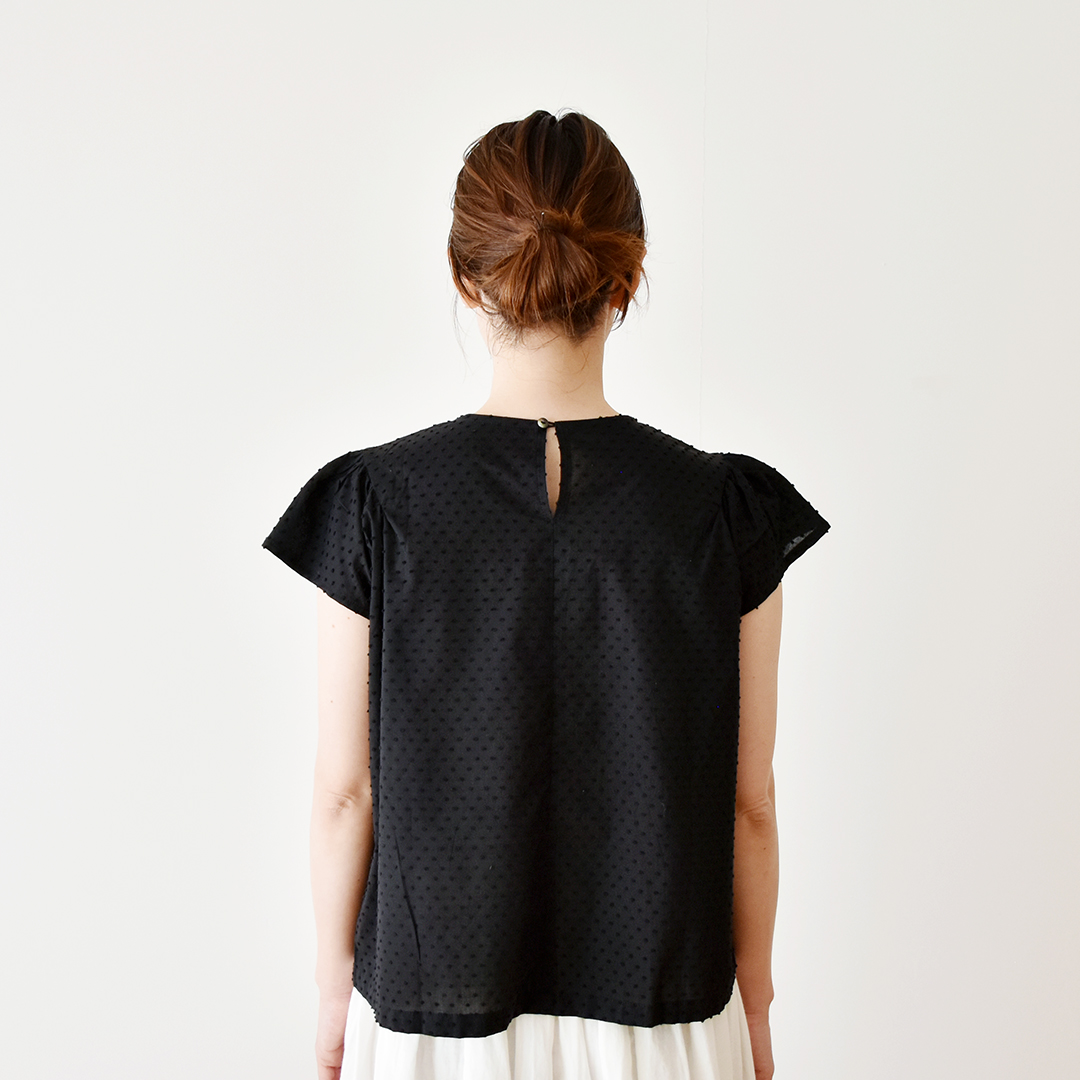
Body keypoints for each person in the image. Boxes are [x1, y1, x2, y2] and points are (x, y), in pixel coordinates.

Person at [262, 109, 830, 1080]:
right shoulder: (720, 510)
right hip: (668, 1020)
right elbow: (750, 806)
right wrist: (759, 1001)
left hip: (431, 1021)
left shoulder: (377, 504)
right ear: (627, 277)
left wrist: (329, 993)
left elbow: (346, 792)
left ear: (464, 278)